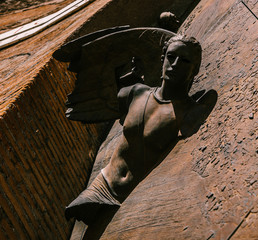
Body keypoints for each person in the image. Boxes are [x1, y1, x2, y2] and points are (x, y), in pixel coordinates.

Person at [65, 35, 217, 224]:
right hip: (101, 186)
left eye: (185, 61)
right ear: (162, 60)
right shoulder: (136, 93)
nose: (175, 64)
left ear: (195, 70)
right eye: (171, 57)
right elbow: (100, 94)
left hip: (133, 199)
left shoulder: (189, 112)